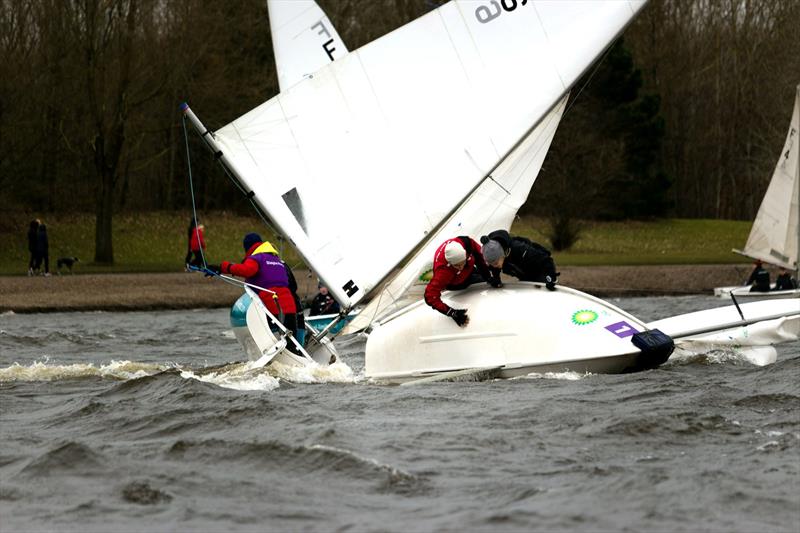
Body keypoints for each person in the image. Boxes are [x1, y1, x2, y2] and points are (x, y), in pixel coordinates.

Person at [208, 233, 300, 348]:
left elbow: (247, 270)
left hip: (273, 307)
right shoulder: (276, 259)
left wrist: (222, 267)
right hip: (290, 307)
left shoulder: (256, 258)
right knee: (292, 344)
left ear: (247, 247)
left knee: (275, 341)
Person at [424, 236, 497, 327]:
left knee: (488, 276)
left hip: (469, 268)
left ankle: (468, 267)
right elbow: (430, 296)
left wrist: (488, 276)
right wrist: (451, 312)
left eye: (462, 262)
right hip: (456, 282)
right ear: (450, 263)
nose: (461, 267)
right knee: (480, 281)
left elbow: (480, 256)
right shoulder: (443, 271)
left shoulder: (467, 243)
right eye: (457, 265)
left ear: (466, 253)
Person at [480, 229, 559, 290]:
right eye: (491, 264)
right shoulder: (496, 259)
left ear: (502, 255)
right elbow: (494, 268)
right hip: (525, 276)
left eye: (496, 263)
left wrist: (550, 277)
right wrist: (496, 280)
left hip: (541, 271)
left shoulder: (520, 249)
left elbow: (546, 260)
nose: (494, 266)